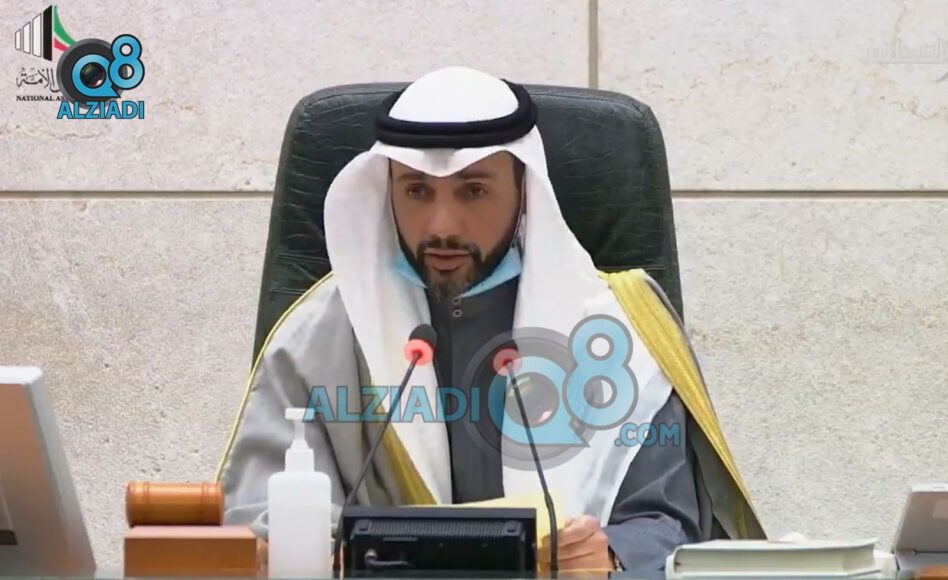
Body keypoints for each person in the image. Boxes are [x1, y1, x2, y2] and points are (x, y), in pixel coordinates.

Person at [217, 66, 763, 572]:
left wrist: (611, 557)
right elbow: (259, 517)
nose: (442, 225)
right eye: (416, 190)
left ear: (524, 190)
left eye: (474, 190)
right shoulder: (319, 333)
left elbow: (667, 523)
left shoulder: (623, 330)